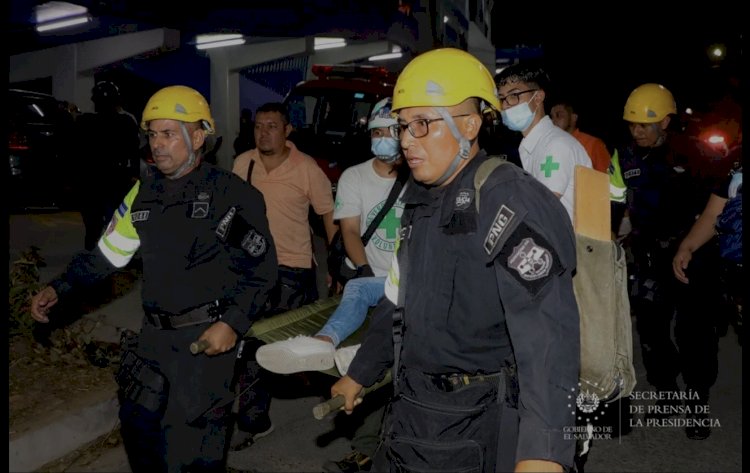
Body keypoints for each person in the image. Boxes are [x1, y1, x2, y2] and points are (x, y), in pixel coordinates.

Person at [331, 47, 580, 473]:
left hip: (476, 421)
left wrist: (543, 451)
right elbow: (396, 300)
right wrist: (360, 372)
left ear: (468, 124)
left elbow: (547, 333)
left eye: (422, 124)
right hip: (411, 410)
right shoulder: (420, 199)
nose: (406, 139)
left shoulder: (507, 198)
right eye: (403, 125)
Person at [30, 85, 278, 473]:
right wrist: (58, 287)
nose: (157, 144)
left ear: (198, 137)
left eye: (168, 133)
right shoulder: (141, 195)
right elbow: (107, 256)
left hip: (204, 345)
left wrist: (232, 323)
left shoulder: (228, 195)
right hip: (153, 341)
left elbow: (261, 270)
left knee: (192, 453)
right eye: (152, 134)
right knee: (142, 437)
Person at [255, 97, 406, 472]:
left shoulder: (423, 176)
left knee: (400, 375)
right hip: (375, 278)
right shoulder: (355, 176)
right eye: (376, 132)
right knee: (358, 298)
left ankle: (396, 449)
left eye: (390, 132)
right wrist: (368, 272)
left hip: (416, 285)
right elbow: (349, 231)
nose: (382, 139)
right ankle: (323, 343)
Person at [610, 83, 718, 439]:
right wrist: (611, 235)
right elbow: (613, 201)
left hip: (692, 256)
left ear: (666, 122)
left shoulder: (694, 154)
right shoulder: (623, 157)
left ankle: (697, 404)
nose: (636, 131)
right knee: (652, 333)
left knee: (694, 333)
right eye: (632, 124)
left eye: (644, 124)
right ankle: (668, 395)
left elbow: (716, 208)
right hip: (648, 257)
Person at [229, 101, 336, 451]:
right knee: (253, 346)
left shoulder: (307, 169)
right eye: (259, 126)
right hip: (251, 271)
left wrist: (337, 265)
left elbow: (328, 216)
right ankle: (254, 419)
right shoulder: (242, 163)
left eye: (272, 126)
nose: (264, 132)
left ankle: (336, 394)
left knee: (302, 345)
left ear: (287, 130)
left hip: (294, 271)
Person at [495, 63, 592, 222]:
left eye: (514, 96)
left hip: (571, 244)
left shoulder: (556, 146)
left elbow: (542, 208)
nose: (505, 105)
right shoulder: (533, 144)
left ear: (538, 97)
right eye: (502, 99)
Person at [75, 80, 141, 250]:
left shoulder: (85, 121)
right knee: (113, 222)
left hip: (93, 179)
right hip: (114, 178)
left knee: (94, 225)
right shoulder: (126, 121)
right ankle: (110, 258)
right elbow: (134, 151)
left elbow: (75, 151)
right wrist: (134, 174)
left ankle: (95, 258)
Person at [550, 99, 611, 173]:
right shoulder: (551, 145)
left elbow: (607, 179)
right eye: (551, 117)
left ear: (573, 118)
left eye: (559, 115)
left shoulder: (594, 144)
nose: (553, 121)